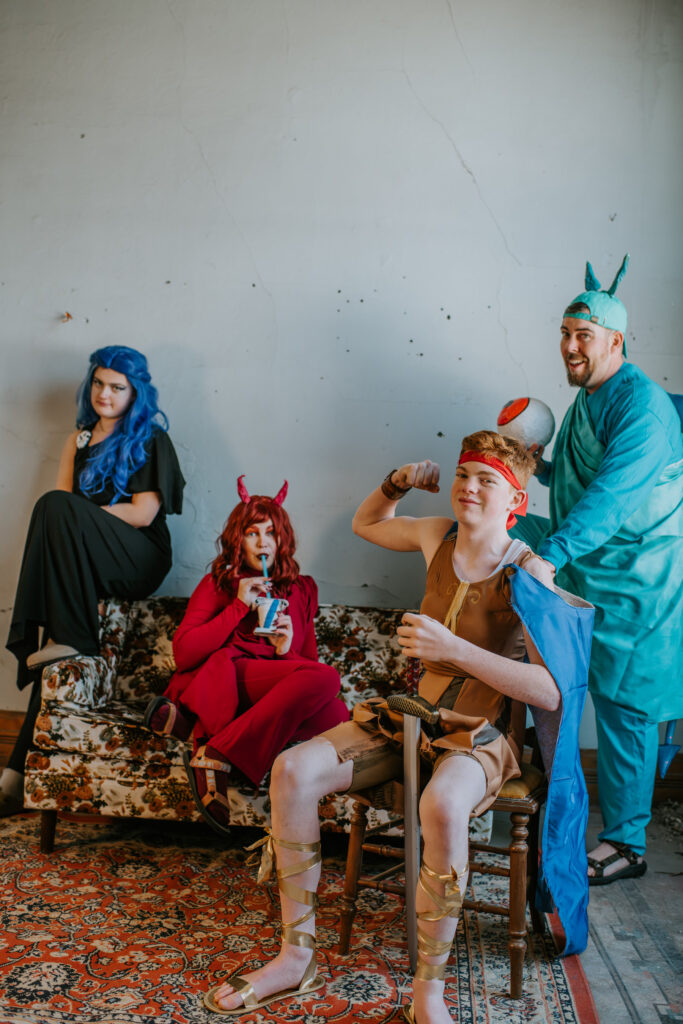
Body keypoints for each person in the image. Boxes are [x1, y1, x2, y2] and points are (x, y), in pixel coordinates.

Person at [201, 431, 592, 1022]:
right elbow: (367, 523)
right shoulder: (436, 535)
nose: (469, 487)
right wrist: (397, 482)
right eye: (463, 475)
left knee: (442, 805)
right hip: (410, 718)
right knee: (292, 770)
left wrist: (454, 649)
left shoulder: (530, 570)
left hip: (482, 737)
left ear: (517, 501)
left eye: (487, 480)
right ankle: (295, 958)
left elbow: (550, 690)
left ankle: (427, 997)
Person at [510, 256, 683, 886]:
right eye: (565, 332)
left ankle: (627, 844)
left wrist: (550, 555)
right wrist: (537, 465)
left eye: (583, 335)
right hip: (588, 555)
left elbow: (610, 497)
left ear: (615, 341)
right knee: (487, 534)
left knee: (624, 705)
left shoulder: (644, 409)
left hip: (638, 572)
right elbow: (577, 476)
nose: (570, 345)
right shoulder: (587, 397)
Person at [0, 345, 185, 817]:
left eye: (117, 387)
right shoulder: (78, 440)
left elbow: (143, 514)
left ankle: (71, 635)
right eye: (99, 383)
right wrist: (77, 525)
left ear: (135, 393)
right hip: (88, 555)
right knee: (52, 516)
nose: (105, 393)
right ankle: (13, 779)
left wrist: (86, 519)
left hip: (137, 555)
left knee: (56, 507)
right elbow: (58, 520)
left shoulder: (151, 438)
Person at [145, 476, 349, 832]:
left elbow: (309, 672)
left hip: (269, 695)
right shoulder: (219, 583)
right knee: (330, 679)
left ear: (282, 539)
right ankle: (217, 756)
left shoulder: (301, 590)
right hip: (231, 681)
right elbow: (185, 654)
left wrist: (285, 649)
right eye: (252, 533)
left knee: (336, 712)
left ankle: (208, 736)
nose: (262, 541)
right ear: (238, 539)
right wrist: (239, 606)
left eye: (271, 533)